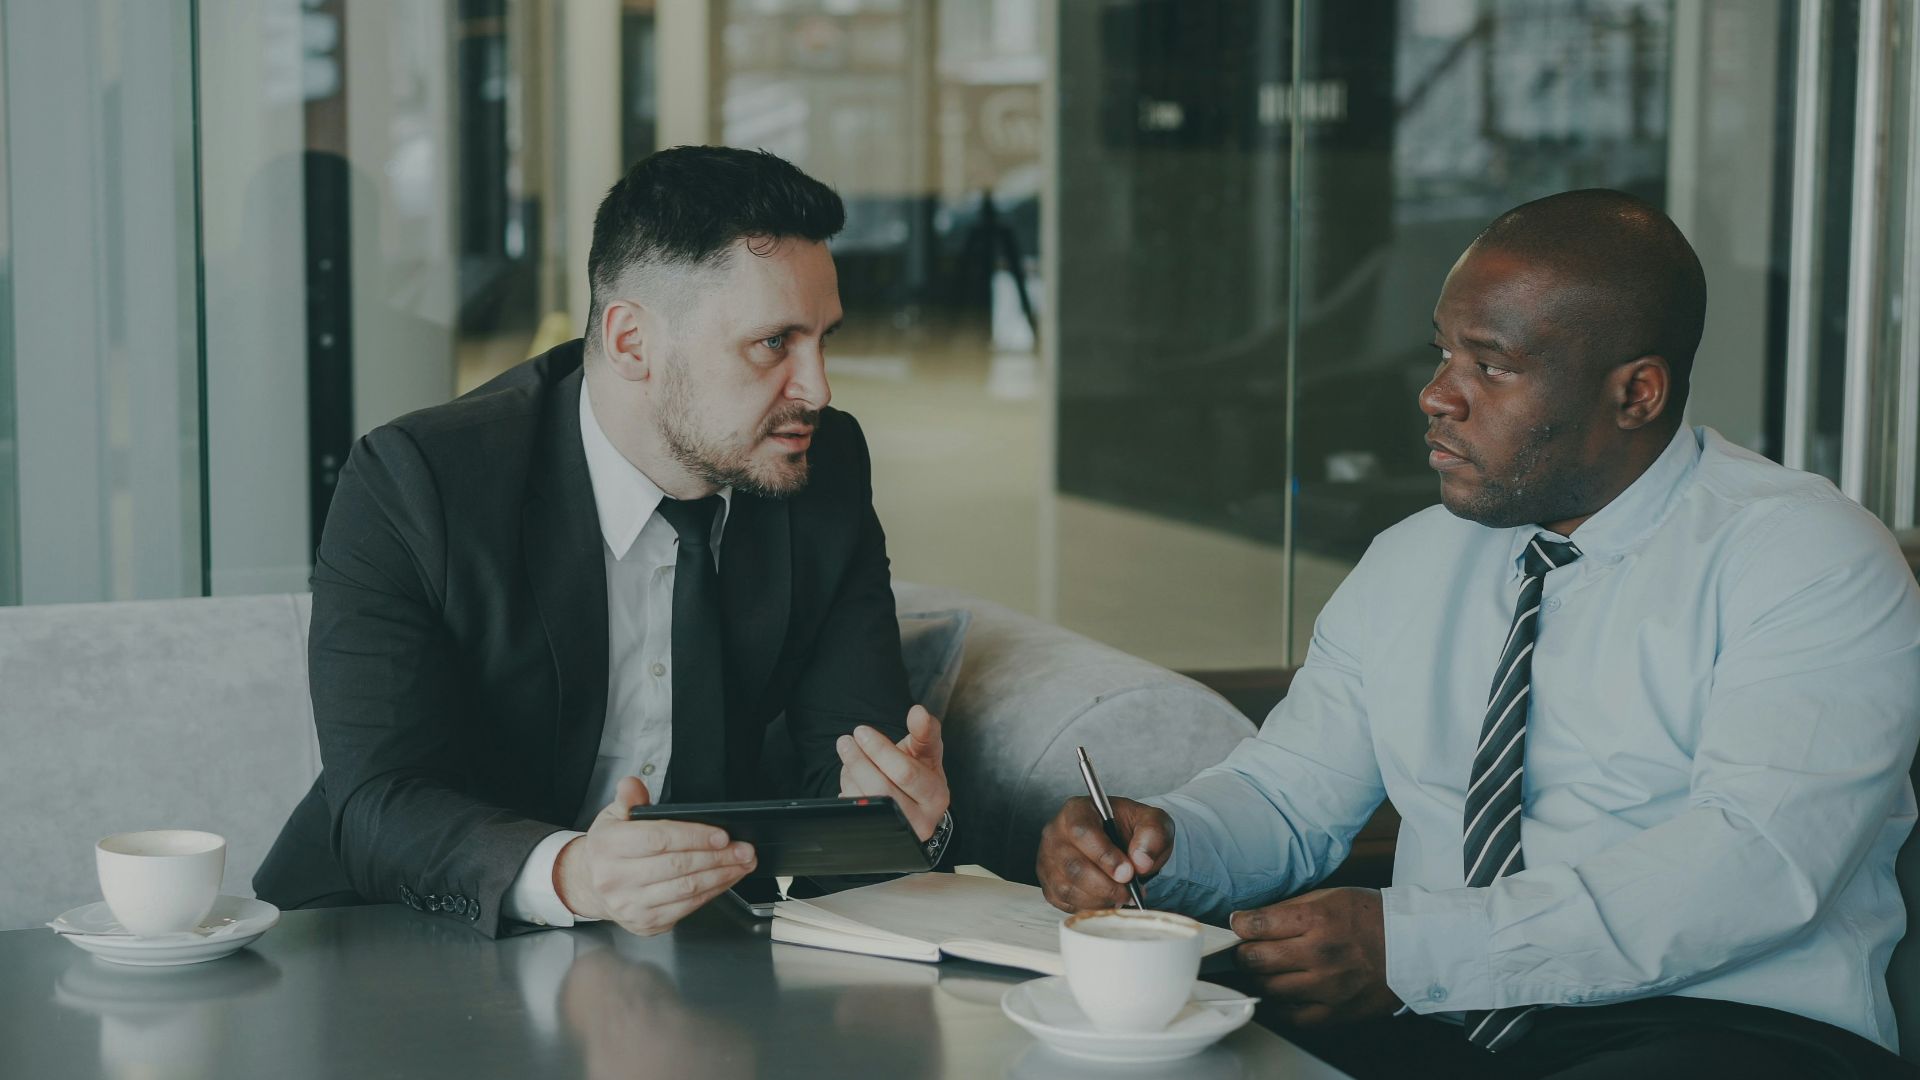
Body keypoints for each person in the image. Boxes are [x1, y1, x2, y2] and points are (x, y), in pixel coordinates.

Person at [1036, 190, 1920, 1077]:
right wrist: (1164, 843)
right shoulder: (1414, 559)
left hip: (1727, 1028)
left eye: (1491, 366)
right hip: (1447, 1018)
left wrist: (1420, 949)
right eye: (1443, 352)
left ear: (1636, 393)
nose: (1437, 395)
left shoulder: (1805, 556)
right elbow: (1288, 797)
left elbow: (1756, 865)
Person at [256, 146, 953, 939]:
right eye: (773, 344)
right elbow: (379, 801)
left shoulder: (821, 467)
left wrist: (898, 816)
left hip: (685, 964)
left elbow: (844, 774)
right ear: (631, 343)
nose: (817, 389)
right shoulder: (419, 483)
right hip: (399, 944)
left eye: (823, 339)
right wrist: (572, 874)